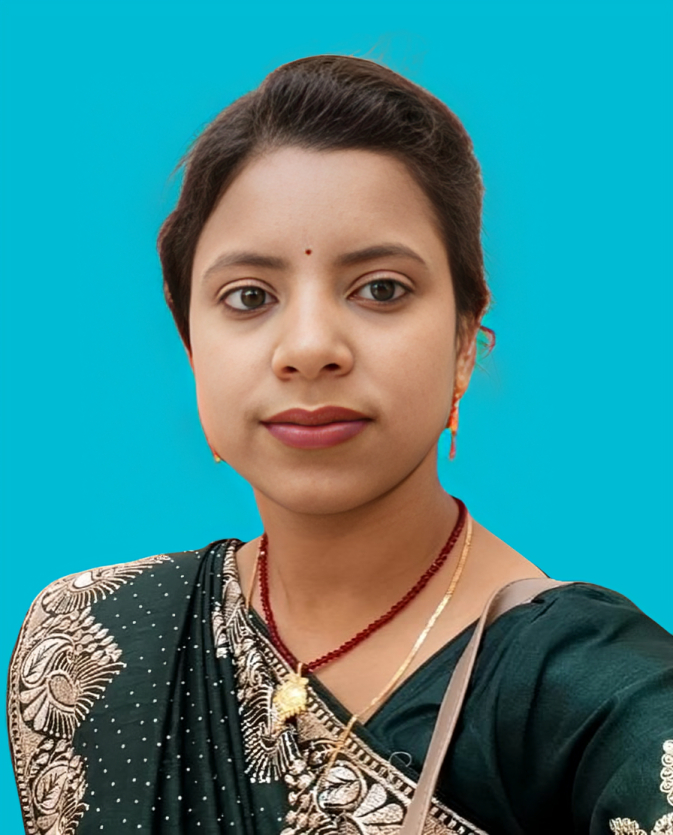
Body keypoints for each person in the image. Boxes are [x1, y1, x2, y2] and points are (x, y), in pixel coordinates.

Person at [7, 55, 672, 835]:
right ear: (190, 344)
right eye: (248, 296)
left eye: (380, 289)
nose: (309, 347)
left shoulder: (593, 696)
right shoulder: (94, 640)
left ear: (464, 340)